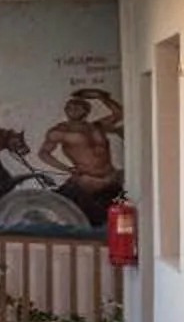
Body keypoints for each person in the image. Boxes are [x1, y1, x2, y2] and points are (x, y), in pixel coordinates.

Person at [37, 89, 125, 226]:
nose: (74, 110)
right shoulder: (60, 131)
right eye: (70, 107)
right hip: (86, 180)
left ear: (86, 111)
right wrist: (67, 168)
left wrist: (100, 97)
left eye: (78, 107)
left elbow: (119, 113)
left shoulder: (96, 126)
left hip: (110, 178)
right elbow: (43, 153)